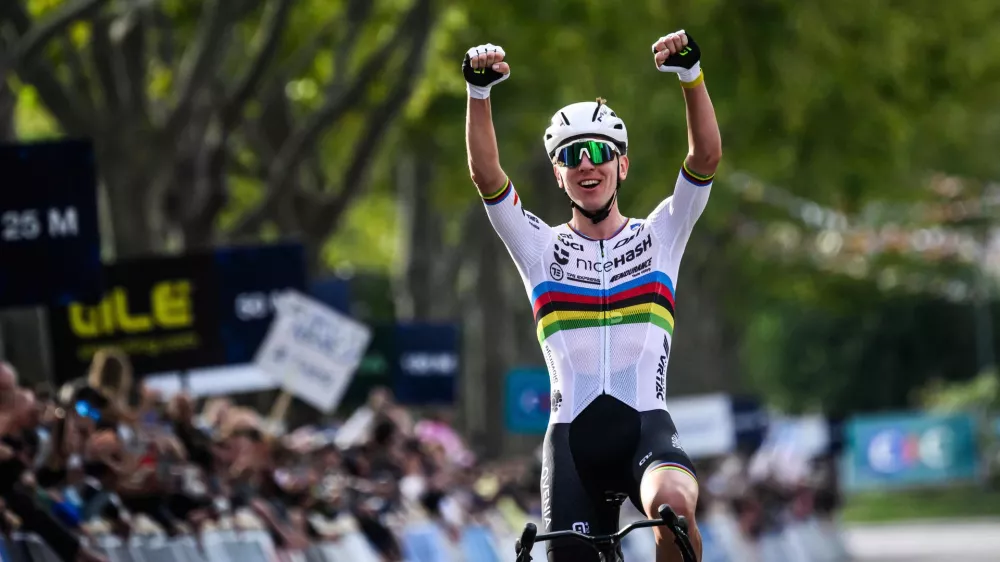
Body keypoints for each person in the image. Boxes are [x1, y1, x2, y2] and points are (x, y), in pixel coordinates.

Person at [462, 29, 721, 562]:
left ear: (621, 165)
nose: (587, 163)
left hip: (645, 427)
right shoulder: (539, 247)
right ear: (559, 175)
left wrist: (691, 77)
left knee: (671, 507)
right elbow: (487, 176)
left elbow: (706, 157)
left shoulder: (660, 235)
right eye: (572, 155)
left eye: (600, 152)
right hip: (572, 443)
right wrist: (478, 94)